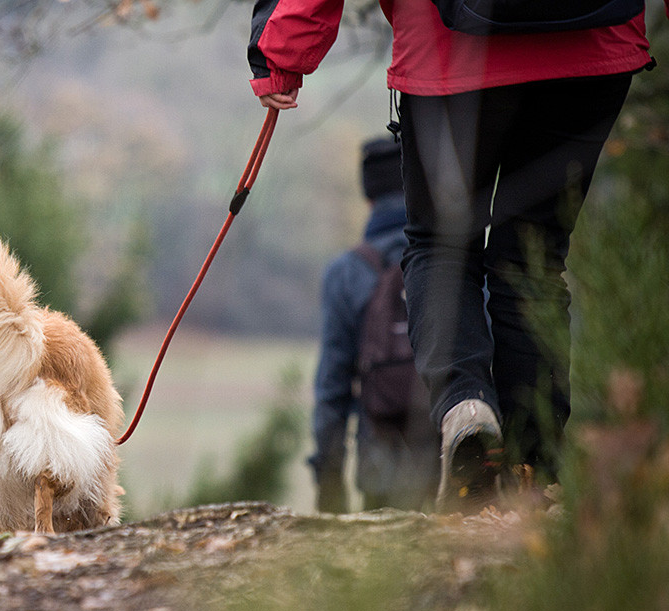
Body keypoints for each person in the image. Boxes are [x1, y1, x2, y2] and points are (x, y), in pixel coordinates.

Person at [249, 0, 666, 511]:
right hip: (592, 45)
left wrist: (282, 53)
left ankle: (466, 406)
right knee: (534, 259)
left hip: (448, 51)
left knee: (441, 246)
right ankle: (534, 472)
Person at [311, 137, 438, 512]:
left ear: (368, 200)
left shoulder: (347, 273)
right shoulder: (454, 264)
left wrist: (328, 479)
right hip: (451, 465)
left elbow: (332, 388)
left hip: (380, 469)